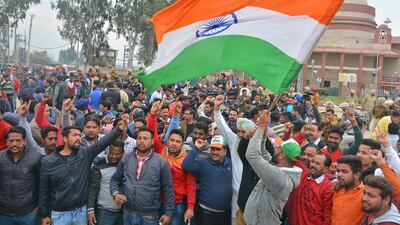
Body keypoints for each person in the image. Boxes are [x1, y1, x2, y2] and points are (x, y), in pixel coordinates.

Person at [39, 115, 128, 225]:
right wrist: (44, 215)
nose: (78, 138)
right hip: (59, 213)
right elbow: (43, 190)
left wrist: (119, 129)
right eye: (74, 135)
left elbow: (103, 142)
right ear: (65, 139)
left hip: (80, 211)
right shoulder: (48, 161)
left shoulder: (85, 154)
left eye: (79, 135)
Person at [244, 110, 302, 225]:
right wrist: (264, 129)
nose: (275, 149)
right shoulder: (279, 168)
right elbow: (264, 154)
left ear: (282, 155)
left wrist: (260, 128)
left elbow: (252, 155)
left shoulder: (281, 179)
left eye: (278, 148)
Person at [110, 127, 174, 225]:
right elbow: (115, 179)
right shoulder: (127, 158)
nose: (142, 141)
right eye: (139, 138)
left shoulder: (161, 162)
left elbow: (168, 188)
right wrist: (115, 194)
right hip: (128, 213)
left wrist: (168, 213)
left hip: (149, 216)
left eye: (145, 138)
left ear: (152, 141)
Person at [147, 101, 196, 225]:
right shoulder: (161, 151)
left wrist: (190, 206)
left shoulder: (187, 159)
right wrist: (152, 114)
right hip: (157, 201)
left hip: (177, 203)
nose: (174, 143)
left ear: (182, 143)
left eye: (178, 141)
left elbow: (190, 184)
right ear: (167, 141)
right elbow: (152, 134)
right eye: (172, 140)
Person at [182, 135, 232, 225]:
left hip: (225, 214)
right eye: (213, 149)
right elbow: (186, 165)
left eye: (218, 149)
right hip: (206, 214)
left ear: (225, 151)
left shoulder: (230, 163)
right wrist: (196, 148)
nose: (215, 152)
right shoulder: (203, 163)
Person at [0, 126, 42, 225]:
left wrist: (37, 209)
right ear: (7, 142)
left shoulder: (35, 158)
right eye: (11, 140)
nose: (14, 144)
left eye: (18, 140)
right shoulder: (0, 158)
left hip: (28, 213)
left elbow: (42, 186)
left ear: (25, 141)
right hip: (3, 213)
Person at [286, 152, 333, 225]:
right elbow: (293, 155)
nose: (313, 165)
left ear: (325, 169)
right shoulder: (303, 173)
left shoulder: (328, 187)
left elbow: (328, 216)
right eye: (312, 161)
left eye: (317, 163)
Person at [87, 140, 125, 225]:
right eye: (111, 153)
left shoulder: (125, 165)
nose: (114, 156)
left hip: (122, 213)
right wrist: (90, 210)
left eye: (118, 154)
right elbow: (92, 189)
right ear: (108, 151)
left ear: (123, 153)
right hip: (104, 212)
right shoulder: (99, 165)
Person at [332, 155, 364, 225]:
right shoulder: (337, 190)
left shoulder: (365, 194)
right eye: (338, 171)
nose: (339, 174)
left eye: (344, 171)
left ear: (357, 175)